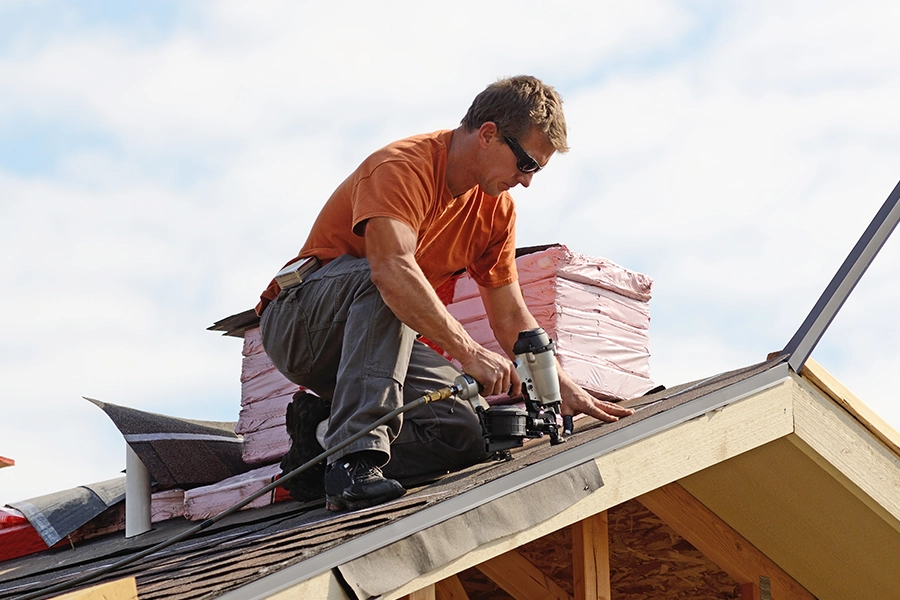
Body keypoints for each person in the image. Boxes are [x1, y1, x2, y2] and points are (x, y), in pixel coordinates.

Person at [256, 75, 633, 512]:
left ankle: (318, 446)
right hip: (300, 324)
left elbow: (511, 316)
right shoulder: (401, 166)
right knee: (392, 281)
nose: (527, 181)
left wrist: (562, 387)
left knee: (462, 431)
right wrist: (470, 353)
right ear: (488, 134)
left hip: (374, 341)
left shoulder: (497, 210)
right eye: (526, 163)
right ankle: (352, 463)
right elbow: (391, 271)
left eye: (537, 170)